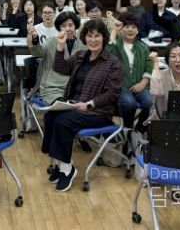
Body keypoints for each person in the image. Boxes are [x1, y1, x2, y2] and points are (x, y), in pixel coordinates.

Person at [42, 19, 123, 192]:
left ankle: (67, 168)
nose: (93, 40)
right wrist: (60, 46)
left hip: (98, 113)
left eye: (97, 36)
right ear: (84, 38)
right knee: (49, 117)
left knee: (62, 121)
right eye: (89, 35)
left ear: (104, 38)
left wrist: (89, 105)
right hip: (74, 107)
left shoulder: (112, 62)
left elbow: (113, 94)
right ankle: (59, 163)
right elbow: (60, 67)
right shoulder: (80, 56)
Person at [106, 13, 157, 133]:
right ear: (121, 29)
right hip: (120, 86)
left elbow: (149, 66)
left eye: (134, 27)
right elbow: (107, 54)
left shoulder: (143, 47)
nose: (130, 29)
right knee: (130, 104)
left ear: (138, 30)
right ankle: (127, 131)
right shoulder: (115, 45)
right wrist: (114, 31)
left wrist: (143, 83)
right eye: (127, 26)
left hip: (140, 85)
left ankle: (139, 130)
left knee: (151, 103)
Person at [29, 11, 86, 105]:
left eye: (70, 25)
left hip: (75, 88)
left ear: (75, 26)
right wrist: (35, 39)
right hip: (53, 88)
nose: (67, 29)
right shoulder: (51, 41)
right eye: (63, 26)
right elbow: (37, 52)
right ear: (59, 28)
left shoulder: (83, 45)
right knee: (63, 107)